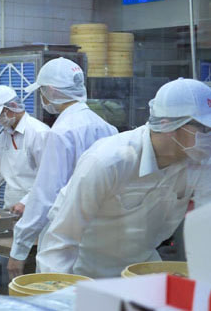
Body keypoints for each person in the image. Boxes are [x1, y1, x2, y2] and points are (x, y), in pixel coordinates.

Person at [37, 78, 211, 278]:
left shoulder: (200, 162)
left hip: (141, 266)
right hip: (85, 269)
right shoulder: (108, 161)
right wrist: (60, 297)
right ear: (168, 125)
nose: (209, 137)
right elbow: (62, 238)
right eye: (204, 129)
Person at [7, 58, 117, 279]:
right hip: (101, 236)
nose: (42, 98)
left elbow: (46, 194)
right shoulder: (107, 127)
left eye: (42, 91)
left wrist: (19, 247)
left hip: (65, 237)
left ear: (51, 91)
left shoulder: (62, 132)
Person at [0, 86, 51, 212]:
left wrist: (25, 202)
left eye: (0, 114)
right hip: (11, 207)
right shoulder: (4, 136)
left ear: (13, 106)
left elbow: (48, 178)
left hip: (36, 205)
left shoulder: (39, 133)